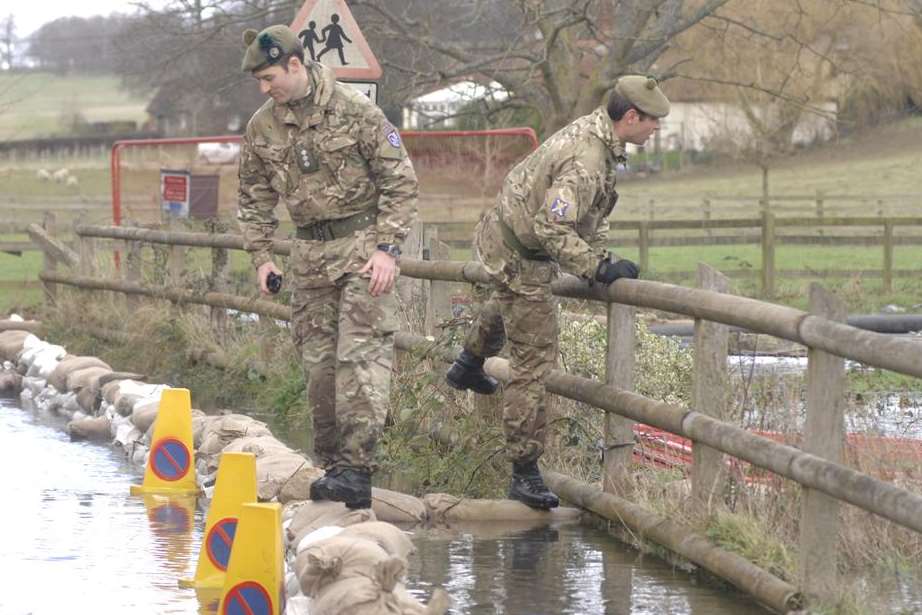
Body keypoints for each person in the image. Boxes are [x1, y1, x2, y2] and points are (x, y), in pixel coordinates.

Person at [445, 75, 670, 509]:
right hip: (521, 250)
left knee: (506, 303)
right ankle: (524, 472)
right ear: (631, 117)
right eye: (653, 121)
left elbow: (593, 211)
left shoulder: (598, 138)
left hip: (508, 236)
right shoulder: (587, 157)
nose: (656, 129)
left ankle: (468, 363)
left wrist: (598, 256)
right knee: (533, 362)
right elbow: (553, 226)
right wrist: (596, 267)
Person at [237, 25, 418, 509]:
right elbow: (253, 197)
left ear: (295, 65)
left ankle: (357, 470)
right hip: (309, 258)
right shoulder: (263, 126)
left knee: (358, 363)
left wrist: (387, 249)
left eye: (269, 77)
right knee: (319, 369)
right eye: (258, 80)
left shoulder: (356, 111)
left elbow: (400, 182)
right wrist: (262, 257)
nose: (265, 88)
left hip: (361, 252)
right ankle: (333, 466)